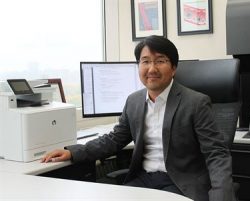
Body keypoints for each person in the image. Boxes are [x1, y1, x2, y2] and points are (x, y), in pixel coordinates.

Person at [42, 35, 236, 201]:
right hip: (144, 180)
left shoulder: (196, 102)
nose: (152, 68)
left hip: (180, 182)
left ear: (174, 68)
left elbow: (216, 153)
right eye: (145, 61)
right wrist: (74, 152)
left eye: (160, 61)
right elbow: (115, 139)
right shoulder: (134, 101)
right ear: (138, 66)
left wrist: (221, 195)